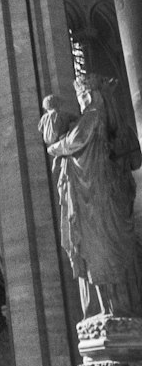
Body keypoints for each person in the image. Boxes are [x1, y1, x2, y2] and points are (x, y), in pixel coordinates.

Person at [42, 78, 142, 317]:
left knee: (101, 251)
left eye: (86, 93)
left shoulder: (93, 116)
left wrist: (53, 148)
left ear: (96, 95)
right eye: (81, 95)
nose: (82, 98)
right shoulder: (95, 119)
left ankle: (113, 309)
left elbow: (73, 140)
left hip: (96, 198)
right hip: (93, 195)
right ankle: (113, 307)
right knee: (102, 251)